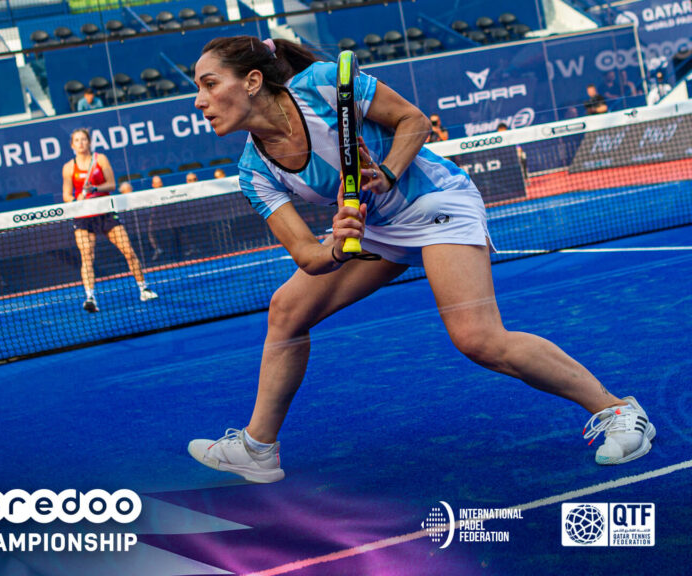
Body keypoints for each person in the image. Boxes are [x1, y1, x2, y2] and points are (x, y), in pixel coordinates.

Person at [186, 36, 655, 484]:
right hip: (379, 228)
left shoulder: (323, 86)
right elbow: (309, 255)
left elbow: (413, 120)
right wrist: (336, 246)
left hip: (435, 203)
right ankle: (257, 448)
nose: (200, 100)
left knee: (478, 339)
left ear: (252, 81)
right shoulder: (254, 170)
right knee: (288, 310)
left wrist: (388, 172)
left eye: (210, 84)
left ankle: (618, 411)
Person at [61, 128, 157, 312]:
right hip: (83, 216)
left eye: (84, 139)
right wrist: (75, 200)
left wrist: (94, 189)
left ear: (89, 142)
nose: (81, 143)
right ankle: (90, 298)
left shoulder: (100, 159)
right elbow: (66, 195)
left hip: (105, 211)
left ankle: (143, 289)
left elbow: (112, 184)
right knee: (87, 256)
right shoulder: (69, 168)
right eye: (77, 140)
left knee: (128, 251)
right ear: (72, 145)